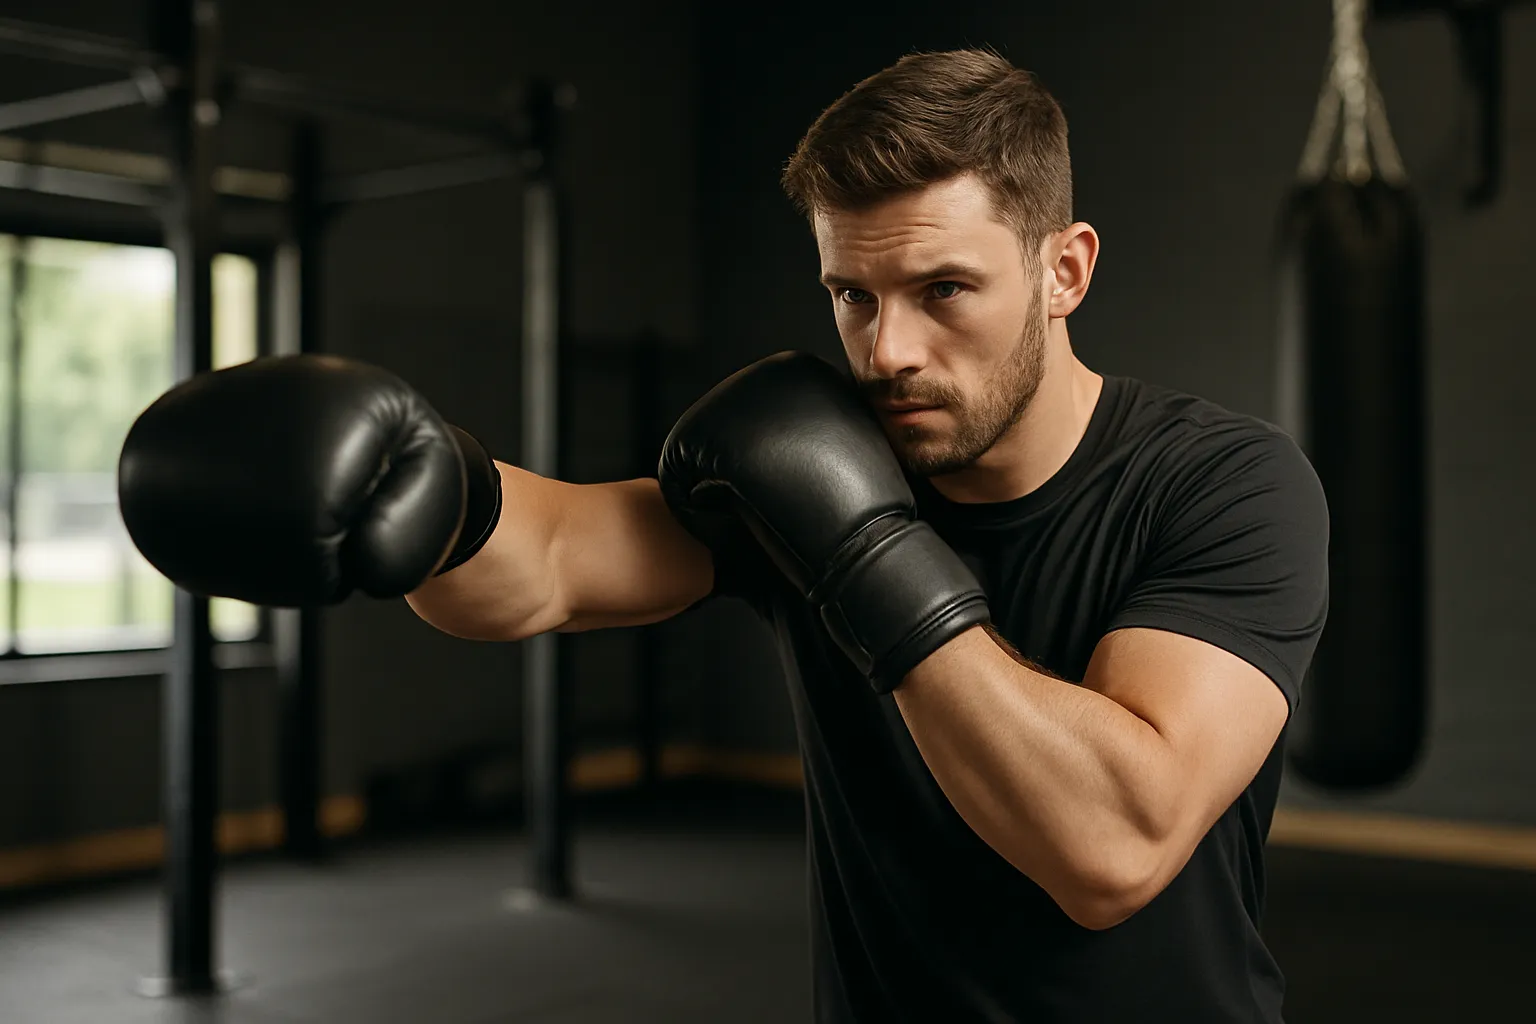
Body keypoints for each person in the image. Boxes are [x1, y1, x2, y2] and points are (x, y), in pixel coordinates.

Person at [119, 48, 1327, 1024]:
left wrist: (863, 551)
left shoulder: (1223, 485)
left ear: (1065, 270)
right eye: (852, 295)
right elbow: (549, 562)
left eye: (943, 291)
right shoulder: (826, 460)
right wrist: (440, 498)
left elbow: (1112, 847)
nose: (889, 351)